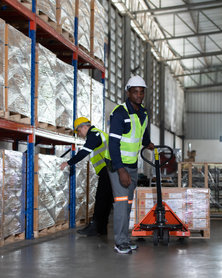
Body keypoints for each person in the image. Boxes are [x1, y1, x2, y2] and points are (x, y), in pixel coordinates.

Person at [106, 75, 154, 254]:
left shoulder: (143, 113)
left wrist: (147, 143)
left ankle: (125, 238)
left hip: (132, 164)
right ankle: (119, 242)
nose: (139, 95)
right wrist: (121, 171)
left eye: (142, 92)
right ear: (128, 93)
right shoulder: (120, 114)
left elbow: (143, 131)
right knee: (120, 202)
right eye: (135, 92)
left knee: (127, 204)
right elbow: (113, 144)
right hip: (117, 165)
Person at [60, 117, 113, 236]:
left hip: (107, 169)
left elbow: (84, 152)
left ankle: (95, 227)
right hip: (110, 170)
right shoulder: (100, 134)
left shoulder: (94, 135)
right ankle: (102, 228)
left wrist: (68, 163)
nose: (80, 135)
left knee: (101, 199)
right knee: (106, 200)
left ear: (84, 127)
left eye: (78, 131)